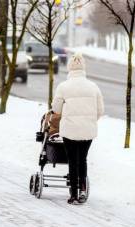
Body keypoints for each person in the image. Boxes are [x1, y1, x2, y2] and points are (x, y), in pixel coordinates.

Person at [52, 52, 104, 204]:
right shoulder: (93, 87)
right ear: (83, 68)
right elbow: (100, 110)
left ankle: (73, 193)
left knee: (72, 161)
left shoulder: (63, 87)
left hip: (69, 130)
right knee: (82, 160)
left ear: (69, 68)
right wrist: (89, 120)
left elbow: (56, 109)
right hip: (88, 130)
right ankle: (82, 190)